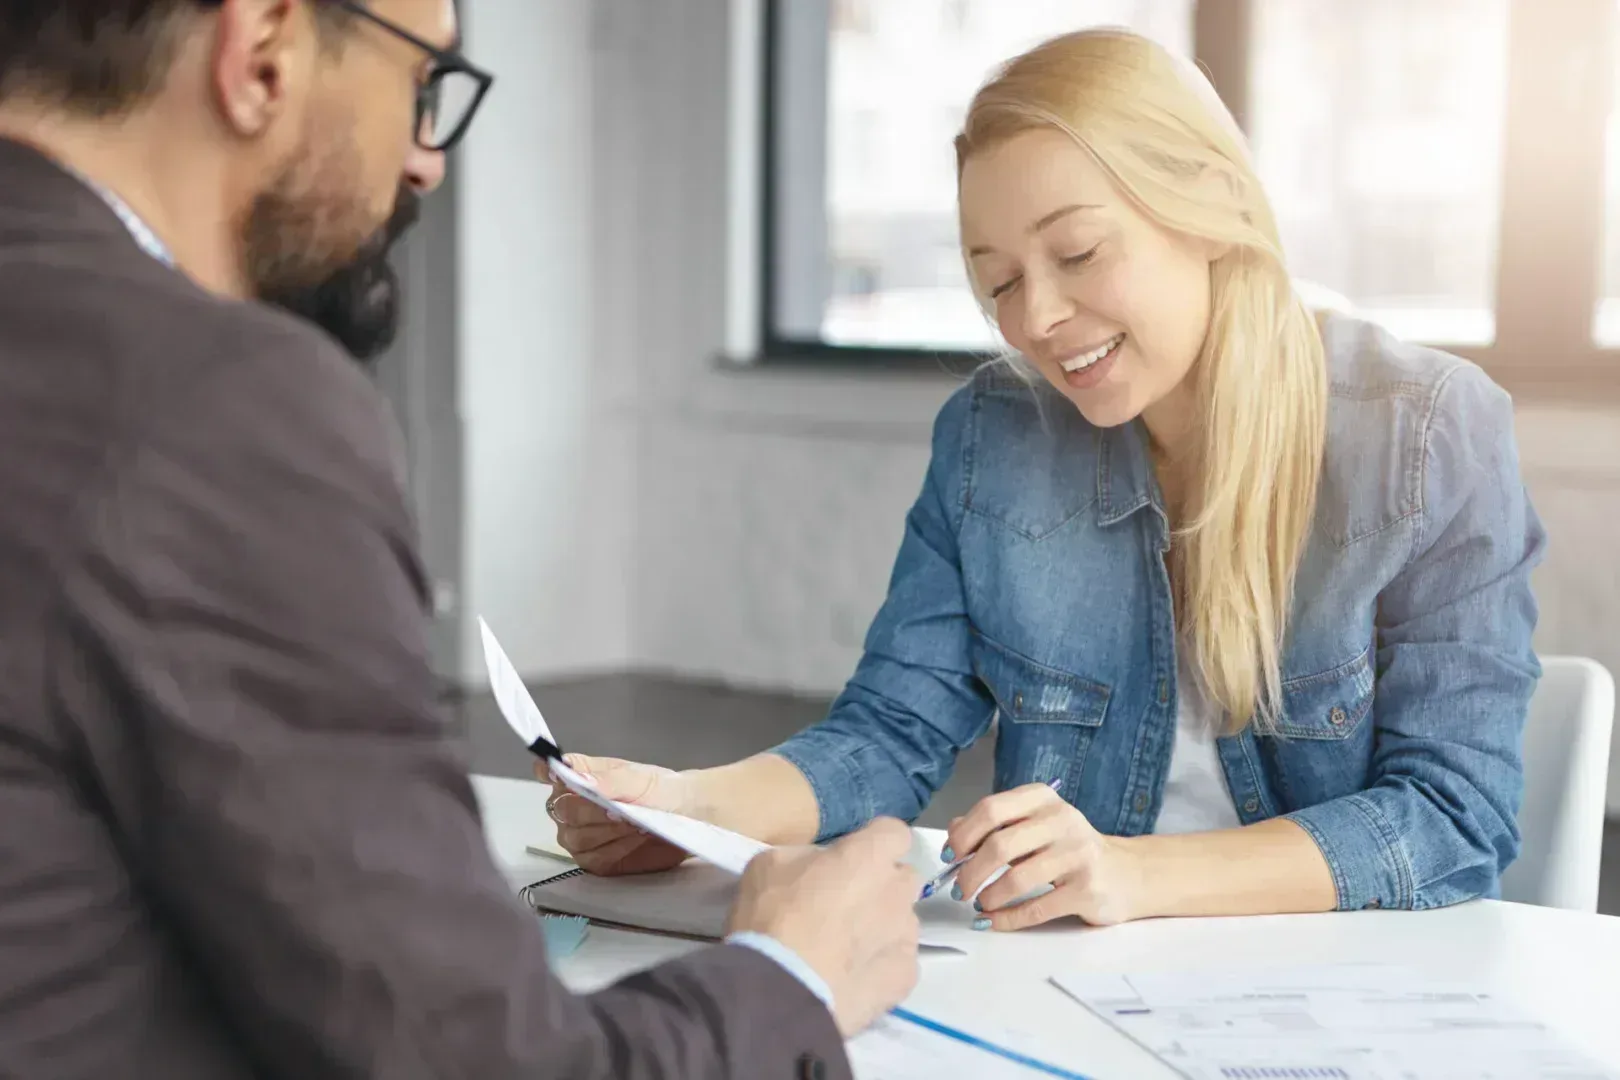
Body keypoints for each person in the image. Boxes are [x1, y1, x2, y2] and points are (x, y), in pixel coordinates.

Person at [0, 2, 922, 1077]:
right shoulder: (213, 401)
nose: (427, 160)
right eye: (419, 83)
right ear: (263, 51)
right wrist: (790, 976)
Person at [550, 28, 1546, 930]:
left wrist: (1133, 876)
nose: (1039, 319)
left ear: (1213, 205)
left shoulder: (1425, 436)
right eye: (1001, 282)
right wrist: (688, 808)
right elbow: (891, 732)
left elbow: (1452, 820)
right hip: (1072, 991)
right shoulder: (994, 435)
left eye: (1076, 251)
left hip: (1341, 1005)